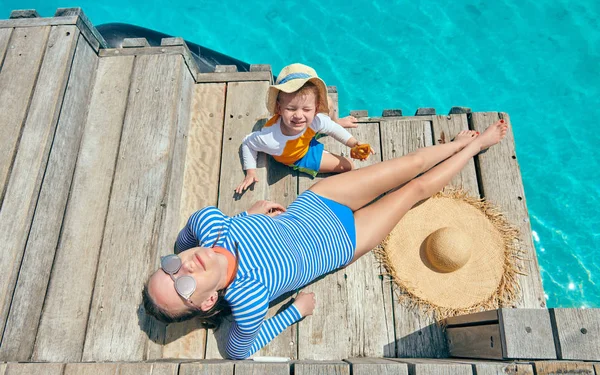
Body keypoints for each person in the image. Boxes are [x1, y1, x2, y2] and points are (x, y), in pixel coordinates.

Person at [142, 118, 509, 360]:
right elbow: (236, 351)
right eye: (184, 284)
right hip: (344, 242)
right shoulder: (248, 300)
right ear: (208, 301)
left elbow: (183, 241)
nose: (183, 265)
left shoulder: (208, 224)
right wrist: (293, 313)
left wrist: (247, 217)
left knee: (408, 164)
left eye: (170, 267)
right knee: (415, 189)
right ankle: (474, 149)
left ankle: (455, 146)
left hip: (321, 202)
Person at [235, 63, 373, 194]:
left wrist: (354, 143)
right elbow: (248, 143)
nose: (299, 116)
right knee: (348, 166)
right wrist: (250, 171)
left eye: (307, 109)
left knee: (329, 104)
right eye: (291, 108)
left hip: (307, 134)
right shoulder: (270, 139)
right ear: (279, 108)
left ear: (316, 109)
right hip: (298, 156)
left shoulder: (315, 120)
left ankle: (337, 120)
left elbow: (332, 128)